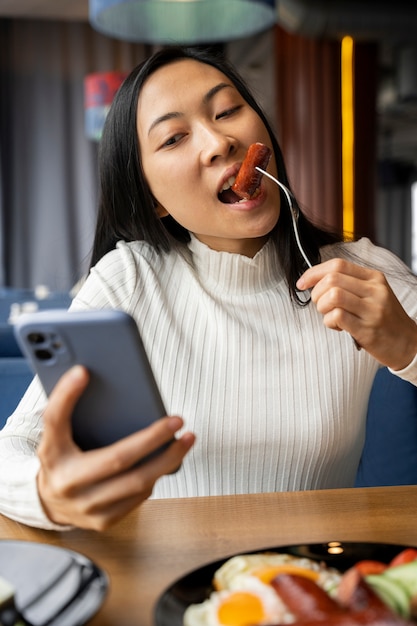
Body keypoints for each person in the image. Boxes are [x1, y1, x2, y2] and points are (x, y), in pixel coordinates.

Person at [0, 46, 416, 532]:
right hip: (164, 588)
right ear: (152, 199)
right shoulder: (129, 279)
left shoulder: (364, 270)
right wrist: (49, 496)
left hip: (309, 582)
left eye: (227, 111)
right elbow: (15, 448)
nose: (219, 140)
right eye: (174, 137)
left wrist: (408, 346)